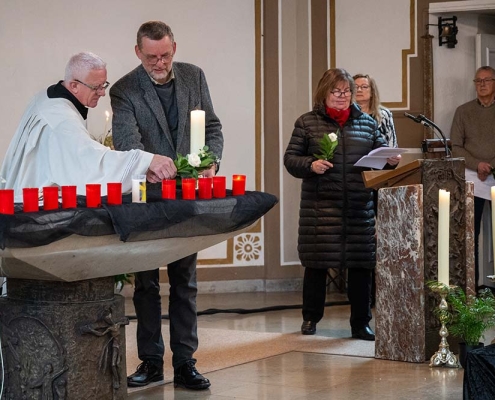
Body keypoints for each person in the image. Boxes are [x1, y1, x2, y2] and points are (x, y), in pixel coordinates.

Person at [110, 21, 223, 390]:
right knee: (145, 283)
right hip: (147, 195)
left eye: (165, 55)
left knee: (184, 281)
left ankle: (186, 361)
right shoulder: (125, 89)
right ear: (137, 52)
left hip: (188, 193)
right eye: (151, 57)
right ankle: (151, 361)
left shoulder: (194, 76)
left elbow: (212, 127)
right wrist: (153, 161)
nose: (160, 63)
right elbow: (127, 142)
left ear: (174, 46)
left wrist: (212, 160)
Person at [283, 68, 400, 341]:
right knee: (317, 263)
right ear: (324, 93)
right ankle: (311, 318)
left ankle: (361, 323)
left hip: (359, 206)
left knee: (361, 266)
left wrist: (390, 160)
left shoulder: (368, 124)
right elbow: (290, 160)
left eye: (347, 91)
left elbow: (381, 155)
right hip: (320, 208)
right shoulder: (307, 123)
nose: (342, 96)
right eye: (336, 92)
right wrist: (310, 164)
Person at [0, 52, 176, 200]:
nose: (102, 92)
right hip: (35, 208)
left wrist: (141, 168)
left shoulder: (49, 97)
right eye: (96, 87)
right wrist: (146, 161)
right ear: (74, 86)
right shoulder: (61, 121)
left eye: (104, 85)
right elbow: (91, 165)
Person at [451, 65, 495, 291]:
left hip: (493, 173)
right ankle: (472, 285)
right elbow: (456, 146)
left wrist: (490, 165)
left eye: (487, 80)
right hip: (472, 177)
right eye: (478, 81)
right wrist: (477, 164)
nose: (482, 84)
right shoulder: (463, 111)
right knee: (470, 233)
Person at [353, 73, 398, 148]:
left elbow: (391, 141)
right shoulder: (347, 113)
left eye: (364, 87)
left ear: (372, 92)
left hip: (381, 157)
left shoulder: (383, 114)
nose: (359, 90)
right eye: (355, 87)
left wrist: (392, 156)